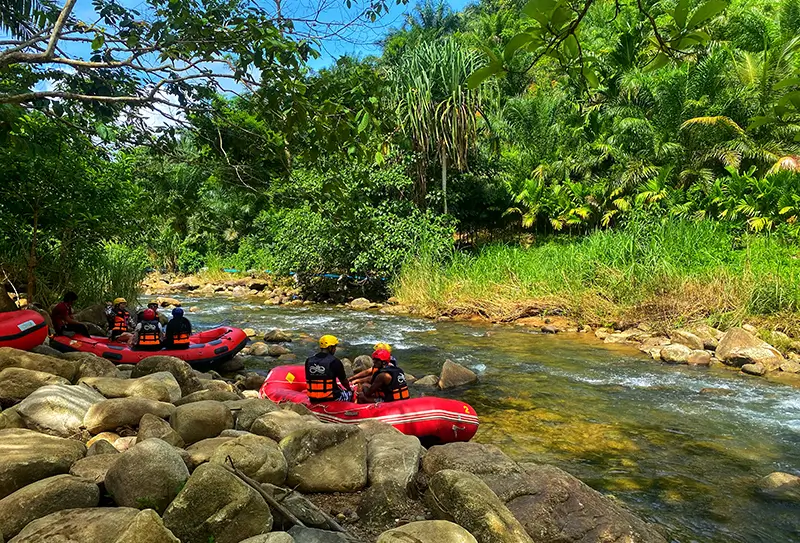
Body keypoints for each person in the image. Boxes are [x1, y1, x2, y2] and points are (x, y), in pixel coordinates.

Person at [305, 335, 352, 402]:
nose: (335, 349)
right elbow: (343, 381)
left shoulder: (309, 361)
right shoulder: (335, 361)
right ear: (330, 347)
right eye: (334, 347)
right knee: (350, 394)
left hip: (313, 399)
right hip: (331, 398)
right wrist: (349, 389)